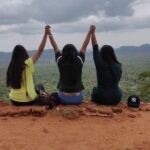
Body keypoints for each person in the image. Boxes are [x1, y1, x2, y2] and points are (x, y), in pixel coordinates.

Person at [47, 25, 94, 105]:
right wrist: (90, 32)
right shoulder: (79, 61)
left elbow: (55, 47)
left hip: (63, 99)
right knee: (81, 91)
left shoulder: (60, 61)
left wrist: (49, 33)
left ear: (63, 53)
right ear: (75, 52)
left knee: (55, 93)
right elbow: (84, 47)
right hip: (78, 99)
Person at [6, 26, 51, 106]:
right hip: (27, 101)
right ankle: (44, 95)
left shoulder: (11, 66)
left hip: (13, 100)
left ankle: (41, 92)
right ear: (24, 53)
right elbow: (40, 50)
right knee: (40, 87)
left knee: (38, 86)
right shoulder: (28, 63)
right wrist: (46, 34)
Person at [91, 26, 123, 105]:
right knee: (119, 89)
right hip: (116, 98)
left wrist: (92, 33)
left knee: (94, 90)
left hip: (100, 98)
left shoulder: (99, 64)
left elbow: (95, 48)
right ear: (112, 54)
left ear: (101, 54)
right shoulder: (119, 66)